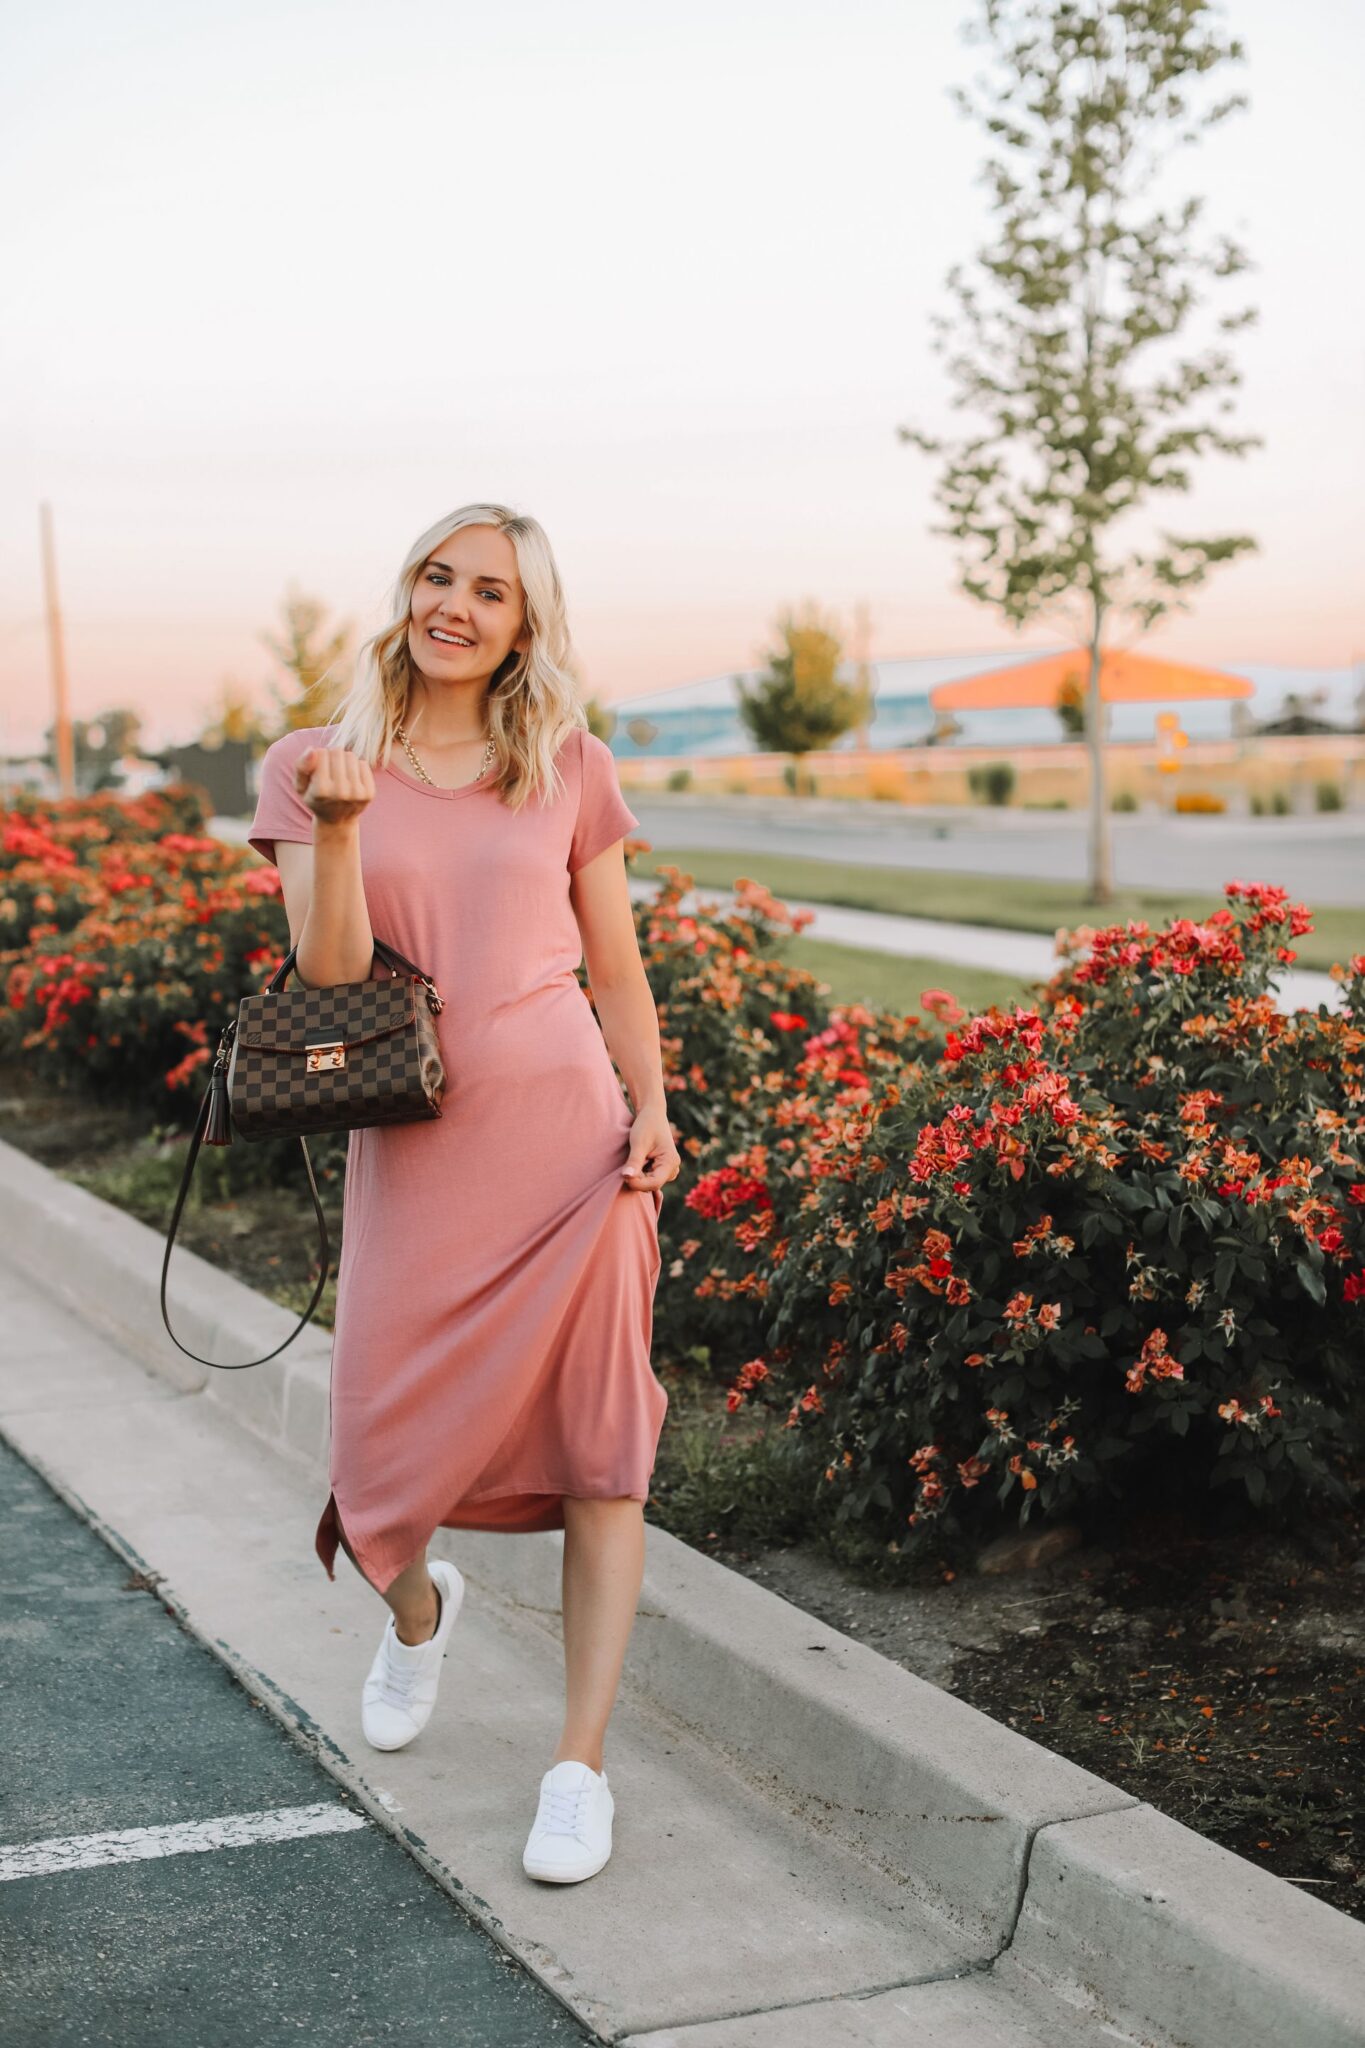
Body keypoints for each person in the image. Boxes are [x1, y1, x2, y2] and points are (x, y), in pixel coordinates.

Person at [246, 501, 681, 1885]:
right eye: (439, 575)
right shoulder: (315, 763)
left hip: (571, 1143)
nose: (456, 604)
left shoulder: (568, 764)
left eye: (492, 591)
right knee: (373, 1461)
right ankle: (419, 1609)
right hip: (421, 1151)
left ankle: (578, 1767)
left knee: (601, 1450)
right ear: (409, 590)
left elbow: (613, 964)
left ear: (524, 625)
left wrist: (655, 1106)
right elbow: (326, 983)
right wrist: (338, 827)